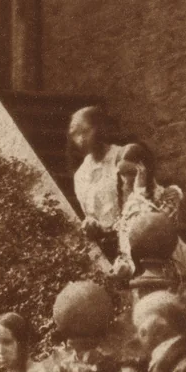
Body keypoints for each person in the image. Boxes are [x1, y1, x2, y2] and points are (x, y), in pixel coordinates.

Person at [112, 143, 186, 286]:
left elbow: (154, 229)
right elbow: (126, 241)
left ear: (144, 170)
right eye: (122, 173)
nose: (126, 179)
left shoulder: (169, 195)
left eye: (131, 173)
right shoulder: (128, 204)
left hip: (167, 264)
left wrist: (140, 191)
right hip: (138, 268)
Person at [69, 106, 125, 258]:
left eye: (85, 131)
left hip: (139, 237)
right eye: (75, 134)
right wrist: (92, 224)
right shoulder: (81, 175)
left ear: (100, 128)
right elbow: (92, 214)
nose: (81, 139)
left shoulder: (123, 156)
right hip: (111, 248)